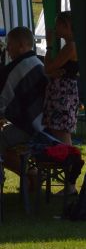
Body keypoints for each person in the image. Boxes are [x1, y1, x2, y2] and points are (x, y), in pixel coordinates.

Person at [0, 27, 48, 175]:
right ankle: (30, 174)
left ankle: (29, 174)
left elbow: (3, 101)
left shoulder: (16, 68)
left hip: (32, 129)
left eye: (10, 44)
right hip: (45, 126)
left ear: (21, 46)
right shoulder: (38, 63)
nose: (7, 48)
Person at [42, 11, 80, 146]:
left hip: (63, 93)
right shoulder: (71, 45)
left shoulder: (71, 46)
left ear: (66, 26)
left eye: (57, 25)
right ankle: (66, 157)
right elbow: (51, 70)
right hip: (62, 91)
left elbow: (48, 68)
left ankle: (69, 157)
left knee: (61, 132)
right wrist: (52, 73)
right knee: (58, 131)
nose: (54, 29)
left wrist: (49, 45)